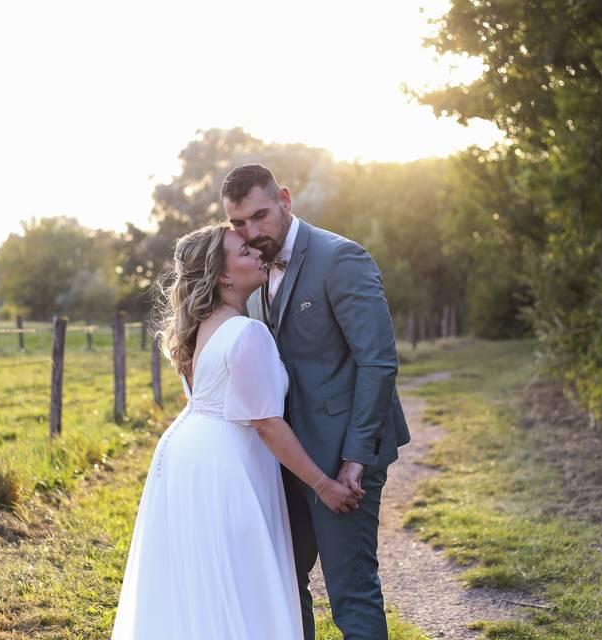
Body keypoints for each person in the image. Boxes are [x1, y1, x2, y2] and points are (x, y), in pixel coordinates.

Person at [111, 224, 360, 640]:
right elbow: (266, 423)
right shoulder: (246, 332)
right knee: (241, 580)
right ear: (223, 275)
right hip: (227, 467)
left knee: (203, 581)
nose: (258, 253)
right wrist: (323, 485)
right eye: (244, 251)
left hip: (186, 455)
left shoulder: (199, 325)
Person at [223, 164, 410, 640]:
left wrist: (356, 458)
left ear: (284, 199)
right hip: (291, 457)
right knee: (285, 582)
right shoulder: (258, 267)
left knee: (351, 591)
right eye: (238, 224)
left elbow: (378, 363)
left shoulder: (340, 258)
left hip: (343, 456)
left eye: (260, 216)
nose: (251, 232)